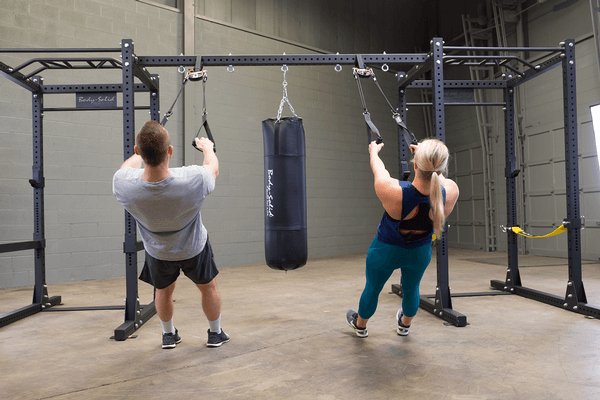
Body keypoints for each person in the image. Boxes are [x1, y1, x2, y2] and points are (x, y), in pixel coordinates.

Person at [112, 120, 229, 349]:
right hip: (194, 248)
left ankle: (168, 335)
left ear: (138, 151)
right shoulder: (193, 178)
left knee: (163, 291)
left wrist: (142, 150)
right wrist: (207, 147)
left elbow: (126, 167)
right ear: (170, 151)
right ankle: (215, 333)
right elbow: (212, 168)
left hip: (158, 251)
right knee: (209, 287)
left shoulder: (123, 184)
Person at [346, 138, 459, 338]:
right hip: (419, 253)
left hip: (385, 250)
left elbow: (379, 170)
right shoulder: (450, 191)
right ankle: (405, 325)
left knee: (372, 288)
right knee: (412, 288)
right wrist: (427, 160)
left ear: (415, 164)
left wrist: (374, 152)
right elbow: (438, 179)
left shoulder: (393, 191)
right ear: (442, 167)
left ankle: (360, 325)